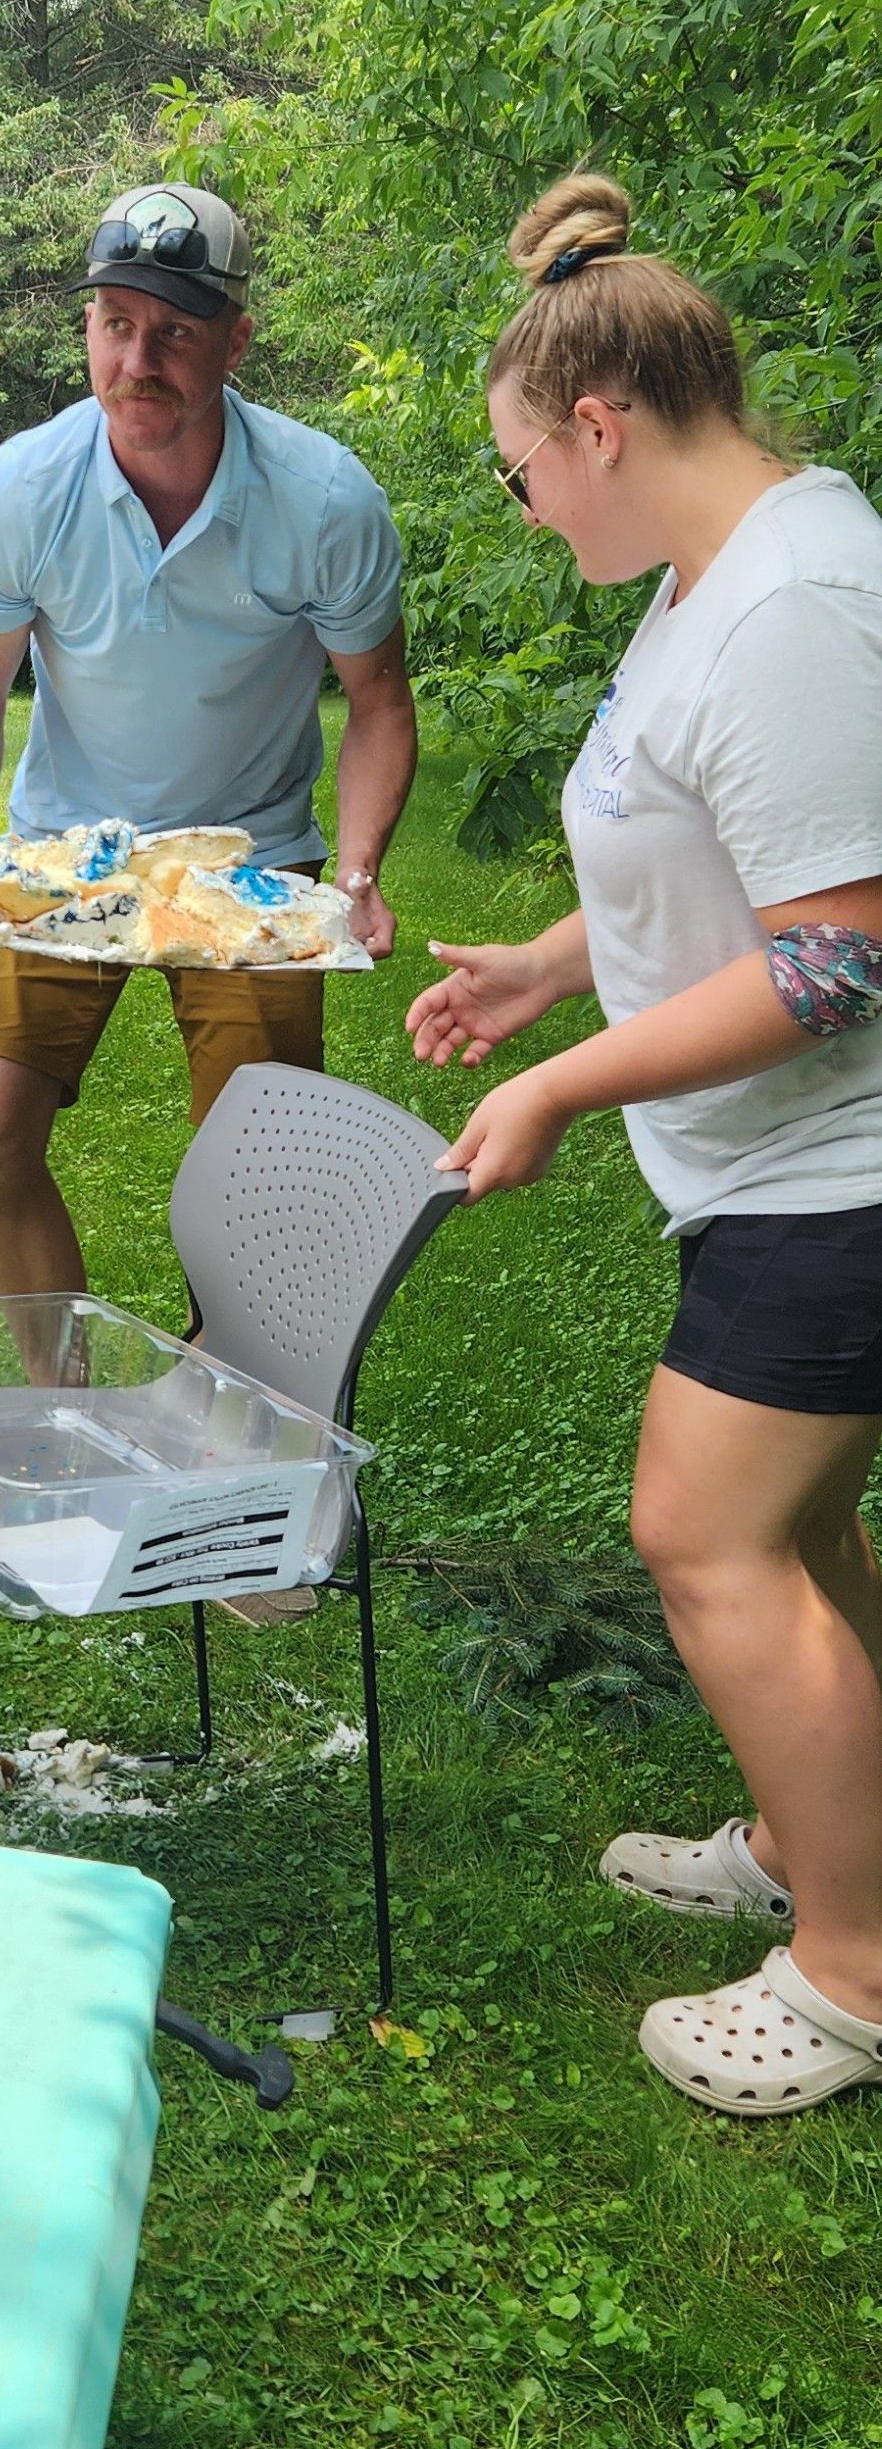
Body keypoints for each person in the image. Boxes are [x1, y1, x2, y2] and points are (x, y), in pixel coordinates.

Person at [405, 171, 882, 2117]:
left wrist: (557, 1083)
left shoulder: (788, 598)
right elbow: (702, 852)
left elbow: (840, 955)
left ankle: (847, 1974)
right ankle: (805, 1834)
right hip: (770, 1171)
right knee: (793, 1528)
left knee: (696, 1533)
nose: (530, 517)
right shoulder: (707, 579)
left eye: (523, 478)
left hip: (832, 1177)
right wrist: (544, 965)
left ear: (593, 428)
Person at [0, 182, 416, 1295]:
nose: (139, 360)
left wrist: (359, 870)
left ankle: (231, 1426)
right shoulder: (18, 491)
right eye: (116, 324)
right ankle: (68, 1413)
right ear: (87, 328)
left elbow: (378, 700)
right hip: (61, 855)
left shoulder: (323, 501)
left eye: (177, 331)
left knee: (265, 1185)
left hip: (248, 863)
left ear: (236, 341)